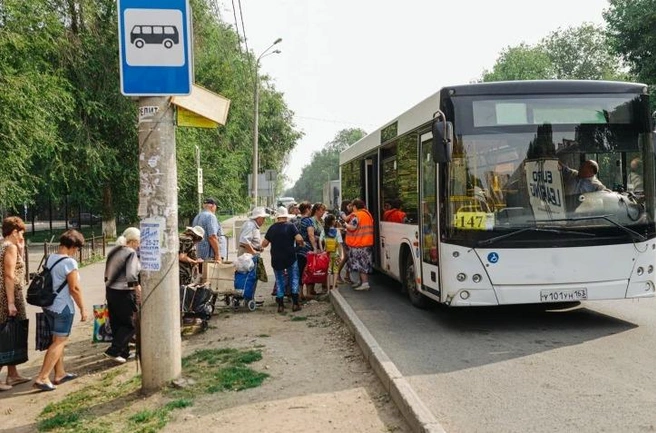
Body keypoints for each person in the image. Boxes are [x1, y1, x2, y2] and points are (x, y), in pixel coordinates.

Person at [33, 229, 87, 391]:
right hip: (63, 307)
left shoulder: (51, 258)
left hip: (49, 305)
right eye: (77, 248)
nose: (76, 252)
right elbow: (74, 289)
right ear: (73, 247)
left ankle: (60, 373)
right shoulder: (69, 263)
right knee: (60, 341)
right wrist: (83, 308)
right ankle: (43, 377)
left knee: (56, 339)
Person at [0, 217, 30, 391]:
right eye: (21, 233)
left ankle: (13, 374)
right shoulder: (10, 247)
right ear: (14, 232)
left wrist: (22, 249)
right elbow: (9, 275)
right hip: (8, 297)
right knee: (7, 335)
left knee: (12, 333)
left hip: (6, 295)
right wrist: (11, 302)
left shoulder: (4, 246)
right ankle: (9, 374)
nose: (21, 237)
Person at [103, 227, 141, 364]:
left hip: (111, 290)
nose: (139, 245)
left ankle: (123, 352)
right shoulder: (130, 253)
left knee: (117, 322)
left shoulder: (113, 250)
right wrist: (137, 288)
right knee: (130, 324)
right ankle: (114, 350)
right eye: (139, 242)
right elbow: (131, 274)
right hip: (124, 291)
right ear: (133, 241)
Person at [261, 206, 305, 313]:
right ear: (286, 216)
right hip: (290, 256)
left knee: (279, 279)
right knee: (294, 277)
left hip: (276, 258)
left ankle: (280, 305)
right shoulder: (291, 226)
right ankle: (295, 303)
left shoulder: (272, 228)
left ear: (277, 217)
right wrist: (301, 244)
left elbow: (264, 244)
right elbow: (299, 238)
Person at [346, 199, 374, 291]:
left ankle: (365, 283)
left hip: (359, 243)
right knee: (363, 263)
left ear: (355, 206)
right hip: (367, 242)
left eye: (352, 206)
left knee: (361, 264)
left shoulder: (357, 215)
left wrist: (345, 225)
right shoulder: (367, 214)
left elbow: (353, 227)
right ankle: (361, 282)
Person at [192, 198, 223, 263]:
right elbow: (212, 237)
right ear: (213, 206)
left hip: (198, 255)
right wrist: (218, 255)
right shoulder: (211, 216)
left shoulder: (197, 216)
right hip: (209, 256)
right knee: (211, 273)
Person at [320, 214, 344, 292]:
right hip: (336, 253)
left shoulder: (324, 231)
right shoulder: (337, 231)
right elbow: (340, 244)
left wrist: (322, 251)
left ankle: (328, 288)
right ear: (333, 221)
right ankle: (333, 287)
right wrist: (341, 255)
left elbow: (320, 241)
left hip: (327, 254)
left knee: (328, 271)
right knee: (335, 270)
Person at [336, 200, 354, 284]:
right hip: (343, 237)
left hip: (349, 237)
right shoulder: (342, 212)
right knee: (346, 256)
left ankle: (347, 275)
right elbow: (345, 219)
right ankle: (337, 274)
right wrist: (355, 212)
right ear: (345, 205)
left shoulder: (351, 213)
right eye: (349, 205)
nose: (351, 207)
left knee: (350, 257)